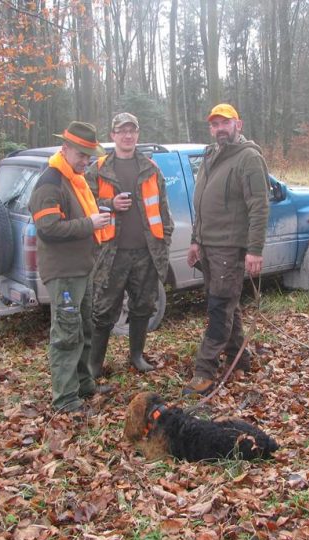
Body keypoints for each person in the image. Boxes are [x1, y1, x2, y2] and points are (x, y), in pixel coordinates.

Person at [185, 103, 270, 395]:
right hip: (208, 247)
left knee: (219, 308)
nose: (220, 128)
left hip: (229, 249)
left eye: (225, 123)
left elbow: (259, 207)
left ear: (239, 124)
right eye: (215, 124)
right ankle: (240, 358)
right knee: (226, 302)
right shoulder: (211, 155)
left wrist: (254, 249)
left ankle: (204, 372)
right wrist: (196, 240)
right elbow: (201, 203)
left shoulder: (249, 159)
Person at [28, 121, 110, 414]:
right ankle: (65, 400)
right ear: (65, 149)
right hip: (63, 274)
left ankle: (84, 383)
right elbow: (48, 228)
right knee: (66, 334)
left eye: (89, 157)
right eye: (81, 155)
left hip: (81, 269)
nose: (86, 162)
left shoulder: (74, 179)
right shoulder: (50, 182)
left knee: (84, 328)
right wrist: (90, 224)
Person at [86, 112, 173, 375]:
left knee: (143, 307)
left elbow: (163, 211)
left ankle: (136, 356)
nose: (127, 135)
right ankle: (94, 364)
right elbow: (84, 205)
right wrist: (109, 205)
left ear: (137, 134)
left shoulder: (151, 168)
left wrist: (163, 242)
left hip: (145, 253)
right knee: (103, 311)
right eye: (122, 131)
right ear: (112, 135)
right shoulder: (98, 168)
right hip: (110, 254)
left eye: (132, 130)